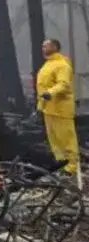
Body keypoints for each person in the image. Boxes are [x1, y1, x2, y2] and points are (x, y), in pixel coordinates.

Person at [36, 38, 78, 175]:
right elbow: (43, 87)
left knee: (66, 139)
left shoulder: (62, 65)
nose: (43, 48)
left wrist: (50, 93)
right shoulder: (48, 64)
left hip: (61, 109)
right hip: (49, 109)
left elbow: (64, 84)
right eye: (42, 46)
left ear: (55, 47)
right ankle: (61, 165)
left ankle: (72, 167)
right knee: (54, 141)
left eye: (46, 46)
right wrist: (40, 105)